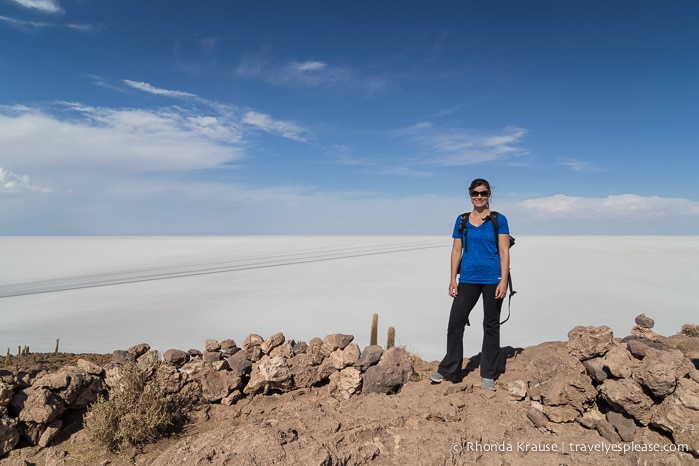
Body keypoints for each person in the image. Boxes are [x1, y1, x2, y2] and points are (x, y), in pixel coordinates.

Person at [430, 178, 510, 390]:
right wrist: (452, 279)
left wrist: (503, 280)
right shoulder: (462, 220)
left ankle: (488, 374)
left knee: (491, 325)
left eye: (483, 193)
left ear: (488, 195)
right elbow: (456, 250)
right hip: (467, 278)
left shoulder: (498, 219)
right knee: (455, 323)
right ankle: (450, 369)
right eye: (475, 193)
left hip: (493, 279)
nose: (479, 197)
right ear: (470, 195)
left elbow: (504, 251)